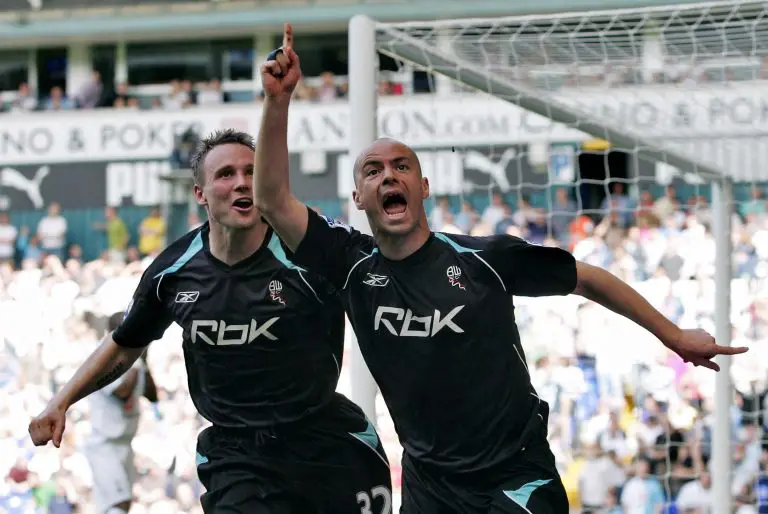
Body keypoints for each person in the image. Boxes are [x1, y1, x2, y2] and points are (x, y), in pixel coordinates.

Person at [252, 24, 748, 514]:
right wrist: (278, 102)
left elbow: (586, 278)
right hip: (431, 483)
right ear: (358, 197)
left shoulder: (484, 259)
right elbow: (272, 199)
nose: (388, 176)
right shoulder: (350, 264)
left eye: (401, 166)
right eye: (373, 170)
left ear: (424, 186)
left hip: (516, 475)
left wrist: (672, 333)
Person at [28, 129, 392, 514]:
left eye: (251, 172)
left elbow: (390, 271)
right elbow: (125, 343)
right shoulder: (173, 271)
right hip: (238, 459)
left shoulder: (311, 252)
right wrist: (61, 401)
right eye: (226, 174)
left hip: (329, 444)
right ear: (200, 193)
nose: (241, 183)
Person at [83, 311, 158, 514]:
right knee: (117, 503)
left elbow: (152, 396)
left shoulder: (135, 362)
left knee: (122, 503)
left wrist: (145, 361)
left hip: (124, 443)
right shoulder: (103, 359)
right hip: (104, 444)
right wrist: (138, 361)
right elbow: (122, 392)